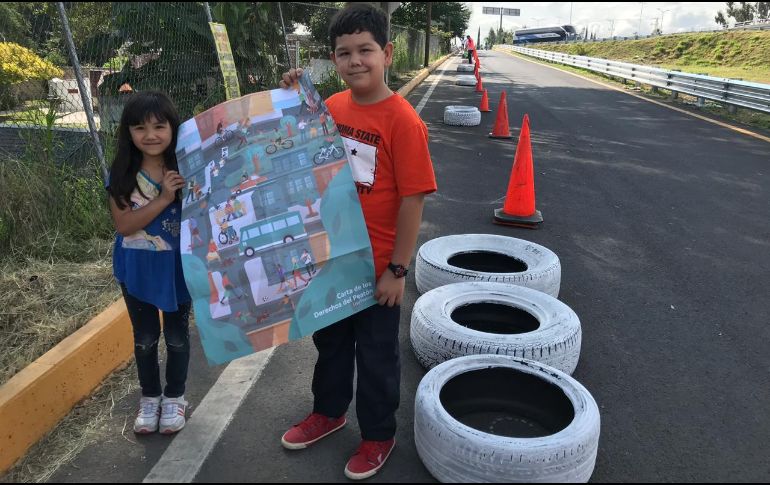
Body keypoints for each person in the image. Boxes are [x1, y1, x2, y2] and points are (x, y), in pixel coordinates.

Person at [279, 4, 437, 480]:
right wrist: (291, 100)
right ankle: (328, 413)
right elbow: (300, 149)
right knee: (330, 346)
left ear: (386, 53)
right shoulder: (332, 108)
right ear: (334, 59)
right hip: (334, 263)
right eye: (344, 53)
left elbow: (414, 202)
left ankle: (378, 436)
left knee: (375, 358)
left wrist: (397, 270)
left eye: (365, 50)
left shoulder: (403, 121)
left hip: (378, 273)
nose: (355, 61)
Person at [107, 91, 192, 435]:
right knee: (144, 338)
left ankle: (175, 396)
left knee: (176, 338)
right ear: (128, 133)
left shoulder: (186, 166)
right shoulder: (123, 172)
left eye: (159, 126)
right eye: (140, 128)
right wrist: (164, 198)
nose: (151, 135)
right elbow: (125, 225)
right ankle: (150, 397)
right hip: (137, 269)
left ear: (173, 128)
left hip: (177, 270)